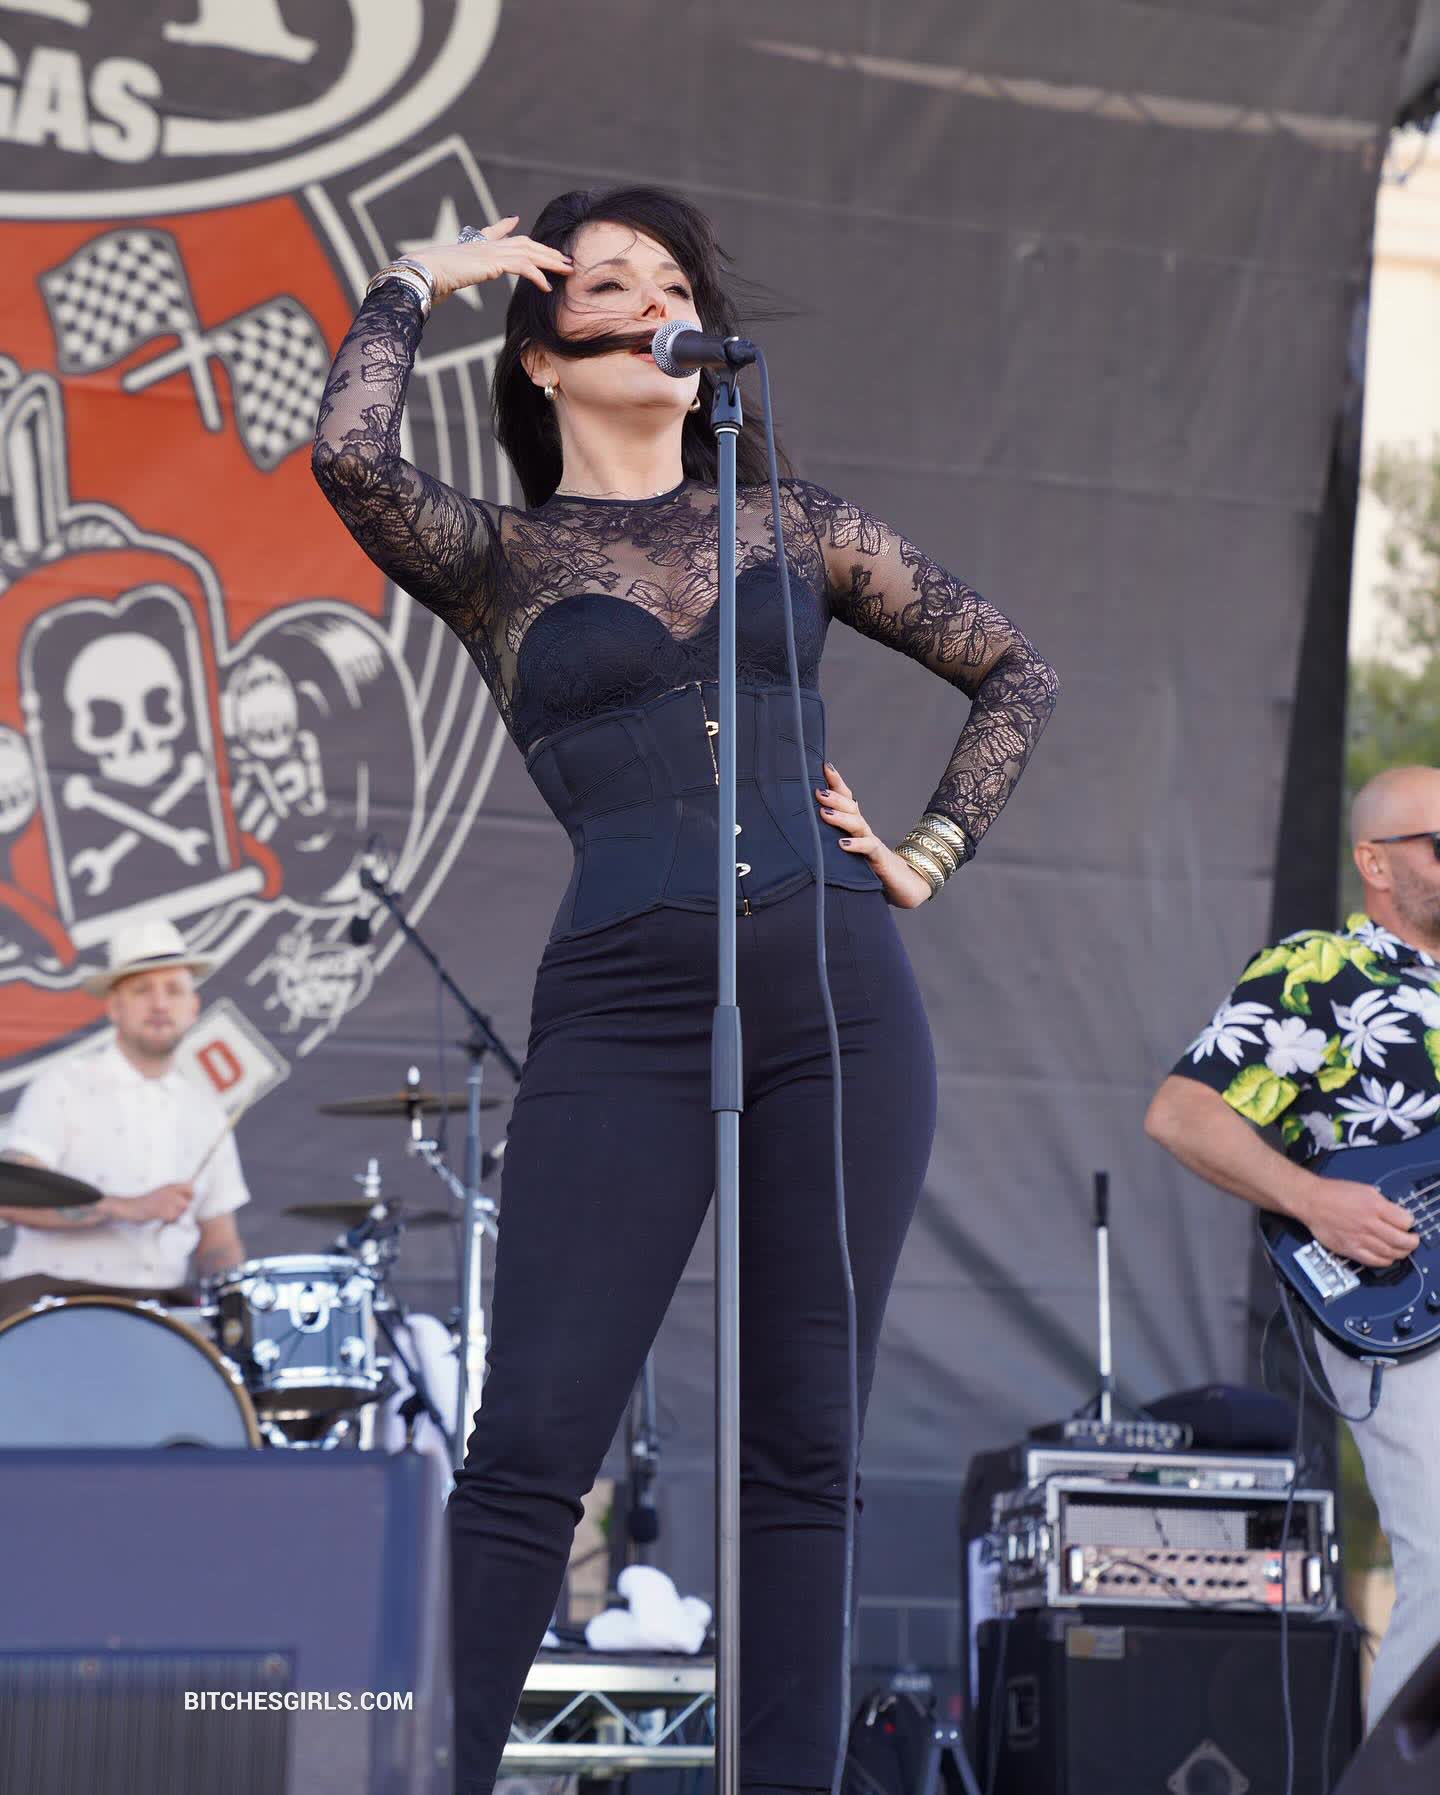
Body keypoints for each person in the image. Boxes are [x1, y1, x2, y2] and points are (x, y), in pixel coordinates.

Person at [312, 185, 1058, 1795]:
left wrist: (928, 848)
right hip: (625, 1008)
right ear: (540, 356)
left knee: (806, 1447)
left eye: (675, 284)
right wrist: (413, 277)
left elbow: (1016, 668)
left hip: (840, 993)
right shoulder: (500, 556)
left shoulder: (794, 522)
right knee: (531, 1443)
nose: (656, 302)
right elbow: (351, 459)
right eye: (612, 284)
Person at [1146, 763, 1440, 1728]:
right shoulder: (1320, 971)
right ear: (1376, 863)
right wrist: (1316, 1200)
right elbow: (1182, 1113)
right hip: (1398, 1295)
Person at [0, 917, 250, 1323]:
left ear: (192, 1008)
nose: (160, 1004)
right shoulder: (62, 1085)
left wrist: (234, 1301)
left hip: (162, 1312)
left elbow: (219, 1238)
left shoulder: (206, 1111)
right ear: (114, 1006)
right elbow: (11, 1196)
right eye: (142, 990)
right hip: (55, 1305)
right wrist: (126, 1207)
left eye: (173, 990)